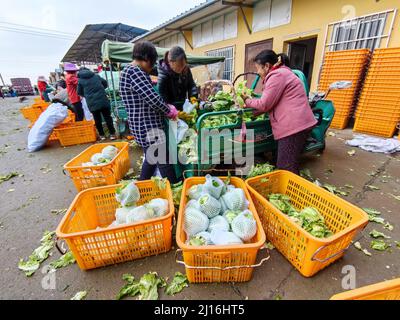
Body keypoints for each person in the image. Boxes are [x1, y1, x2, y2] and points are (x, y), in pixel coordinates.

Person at [243, 50, 317, 175]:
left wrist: (247, 100)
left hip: (294, 127)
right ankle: (290, 187)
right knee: (288, 162)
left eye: (258, 68)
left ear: (266, 66)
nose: (257, 72)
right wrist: (250, 113)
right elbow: (272, 104)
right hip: (297, 124)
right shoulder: (282, 73)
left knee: (286, 166)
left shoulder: (277, 76)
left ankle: (292, 191)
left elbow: (264, 104)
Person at [119, 41, 179, 184]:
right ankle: (175, 190)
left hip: (141, 126)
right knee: (164, 162)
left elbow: (143, 92)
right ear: (146, 58)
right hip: (148, 126)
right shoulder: (135, 71)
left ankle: (141, 187)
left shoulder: (129, 71)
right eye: (152, 62)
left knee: (151, 159)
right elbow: (152, 98)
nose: (151, 67)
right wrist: (168, 110)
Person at [77, 68, 116, 140]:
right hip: (103, 100)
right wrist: (101, 90)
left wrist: (87, 95)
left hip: (92, 102)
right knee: (108, 117)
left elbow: (79, 92)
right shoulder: (96, 76)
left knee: (97, 119)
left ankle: (102, 135)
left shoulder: (80, 80)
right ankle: (112, 134)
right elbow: (105, 83)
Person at [157, 46, 198, 110]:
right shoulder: (163, 76)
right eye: (179, 66)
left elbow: (191, 85)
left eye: (183, 66)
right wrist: (172, 111)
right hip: (171, 111)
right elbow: (162, 100)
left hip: (184, 106)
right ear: (170, 62)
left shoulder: (186, 69)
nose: (181, 69)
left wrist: (194, 97)